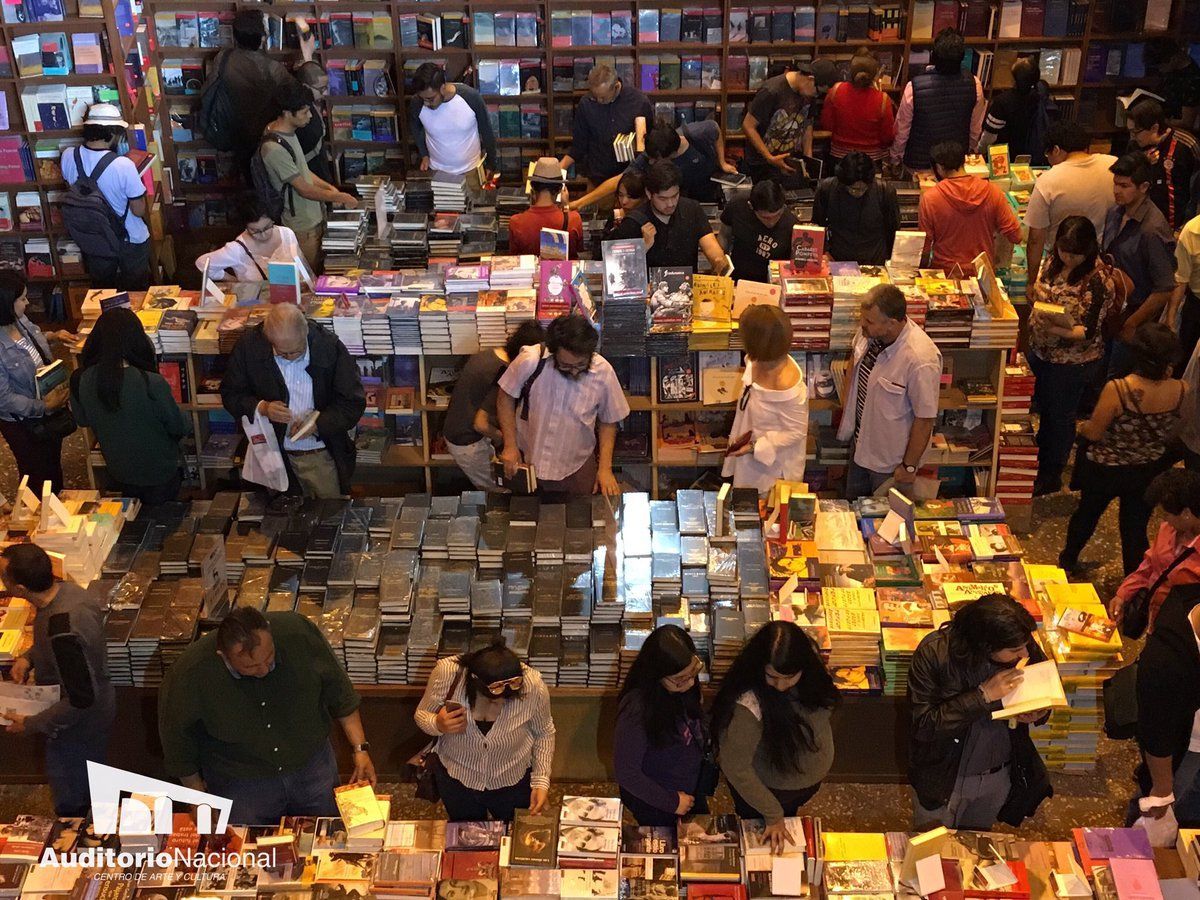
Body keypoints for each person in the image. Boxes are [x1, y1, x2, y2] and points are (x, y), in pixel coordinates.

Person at [158, 608, 375, 825]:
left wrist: (360, 749)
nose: (264, 670)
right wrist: (198, 799)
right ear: (223, 656)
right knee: (252, 851)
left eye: (269, 656)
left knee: (326, 836)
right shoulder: (189, 674)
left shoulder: (298, 633)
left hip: (311, 766)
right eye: (250, 666)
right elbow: (178, 746)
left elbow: (340, 692)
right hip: (242, 781)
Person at [908, 594, 1049, 830]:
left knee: (977, 846)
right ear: (986, 645)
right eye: (1015, 649)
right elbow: (924, 725)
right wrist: (982, 696)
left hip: (998, 775)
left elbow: (1042, 688)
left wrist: (1038, 711)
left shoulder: (1020, 643)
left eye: (1026, 645)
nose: (1025, 654)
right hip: (943, 778)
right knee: (930, 851)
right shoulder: (934, 653)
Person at [1061, 323, 1186, 576]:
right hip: (1146, 470)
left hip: (1105, 468)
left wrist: (1082, 427)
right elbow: (1174, 432)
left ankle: (1068, 561)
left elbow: (1095, 432)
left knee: (1087, 515)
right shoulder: (1181, 390)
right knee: (1135, 529)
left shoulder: (1119, 389)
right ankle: (1135, 583)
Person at [0, 544, 114, 817]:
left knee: (73, 795)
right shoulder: (70, 593)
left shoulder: (63, 634)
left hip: (78, 726)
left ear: (21, 590)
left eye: (4, 576)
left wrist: (30, 724)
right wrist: (30, 658)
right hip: (97, 702)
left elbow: (81, 699)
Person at [711, 621, 837, 850]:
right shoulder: (749, 705)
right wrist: (773, 814)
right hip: (768, 789)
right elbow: (735, 766)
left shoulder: (813, 675)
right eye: (772, 676)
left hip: (799, 784)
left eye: (789, 677)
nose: (781, 686)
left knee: (790, 814)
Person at [221, 302, 366, 498]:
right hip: (273, 456)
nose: (289, 358)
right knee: (281, 520)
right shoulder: (249, 347)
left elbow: (352, 403)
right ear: (268, 339)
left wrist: (317, 424)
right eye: (281, 354)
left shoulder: (329, 347)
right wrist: (262, 407)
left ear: (306, 333)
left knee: (329, 517)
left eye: (296, 352)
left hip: (320, 455)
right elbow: (231, 394)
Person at [1026, 217, 1119, 496]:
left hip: (1071, 363)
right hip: (1040, 351)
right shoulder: (1051, 264)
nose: (1068, 258)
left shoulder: (1098, 280)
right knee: (1042, 411)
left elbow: (1088, 331)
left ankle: (1051, 473)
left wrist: (1054, 327)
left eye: (1075, 253)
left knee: (1060, 417)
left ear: (1089, 250)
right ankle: (1037, 462)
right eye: (1063, 251)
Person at [414, 638, 555, 821]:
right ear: (475, 682)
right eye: (493, 697)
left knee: (515, 833)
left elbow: (544, 732)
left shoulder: (533, 685)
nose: (502, 702)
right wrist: (438, 724)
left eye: (509, 697)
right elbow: (421, 714)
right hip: (458, 777)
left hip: (512, 777)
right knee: (466, 836)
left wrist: (541, 781)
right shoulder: (448, 674)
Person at [496, 313, 629, 500]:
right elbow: (505, 397)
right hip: (528, 461)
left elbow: (609, 420)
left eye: (581, 365)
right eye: (566, 366)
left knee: (579, 523)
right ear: (553, 352)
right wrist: (510, 445)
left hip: (577, 467)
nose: (574, 371)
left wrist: (605, 469)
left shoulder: (603, 371)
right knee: (528, 519)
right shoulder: (531, 360)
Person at [71, 308, 190, 506]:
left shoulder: (81, 379)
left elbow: (82, 419)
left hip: (118, 469)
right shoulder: (151, 382)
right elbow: (179, 426)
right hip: (158, 470)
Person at [837, 284, 942, 498]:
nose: (862, 325)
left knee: (885, 524)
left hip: (890, 465)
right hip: (860, 447)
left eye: (869, 321)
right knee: (855, 516)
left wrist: (909, 467)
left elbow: (925, 419)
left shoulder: (920, 359)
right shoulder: (870, 334)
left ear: (892, 324)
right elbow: (854, 364)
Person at [613, 625, 708, 827]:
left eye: (694, 672)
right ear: (656, 675)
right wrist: (672, 802)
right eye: (680, 680)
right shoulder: (637, 708)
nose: (690, 683)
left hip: (688, 786)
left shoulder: (685, 684)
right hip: (657, 799)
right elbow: (626, 772)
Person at [260, 81, 359, 268]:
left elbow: (303, 171)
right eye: (305, 112)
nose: (310, 116)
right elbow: (304, 189)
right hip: (302, 225)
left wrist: (330, 189)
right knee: (309, 277)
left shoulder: (289, 131)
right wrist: (338, 196)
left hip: (314, 217)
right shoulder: (274, 148)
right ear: (288, 113)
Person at [443, 321, 545, 492]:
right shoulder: (505, 372)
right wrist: (505, 441)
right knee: (499, 490)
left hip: (455, 429)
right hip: (468, 441)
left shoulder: (487, 355)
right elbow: (481, 424)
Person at [1133, 569, 1200, 828]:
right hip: (1187, 747)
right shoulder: (1166, 662)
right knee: (1165, 807)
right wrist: (1162, 790)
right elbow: (1156, 733)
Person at [60, 103, 151, 290]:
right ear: (112, 134)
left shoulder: (69, 155)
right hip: (129, 239)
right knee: (136, 291)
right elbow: (138, 210)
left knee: (103, 291)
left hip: (94, 239)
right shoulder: (123, 165)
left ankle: (107, 317)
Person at [1103, 153, 1177, 377]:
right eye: (1115, 184)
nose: (1117, 190)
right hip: (1112, 309)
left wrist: (1132, 324)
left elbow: (1164, 288)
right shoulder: (1116, 212)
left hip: (1135, 318)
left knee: (1116, 378)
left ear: (1144, 187)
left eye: (1124, 186)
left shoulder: (1152, 229)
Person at [722, 305, 808, 493]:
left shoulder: (787, 385)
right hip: (748, 453)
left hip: (774, 469)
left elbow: (796, 432)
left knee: (765, 512)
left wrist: (755, 446)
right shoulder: (757, 359)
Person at [0, 273, 73, 494]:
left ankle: (57, 503)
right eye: (22, 299)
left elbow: (34, 336)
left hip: (47, 406)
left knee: (52, 463)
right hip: (22, 421)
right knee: (34, 471)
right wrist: (44, 406)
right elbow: (4, 398)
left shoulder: (19, 320)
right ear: (5, 304)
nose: (28, 302)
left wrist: (53, 336)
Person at [1023, 121, 1117, 287]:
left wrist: (1031, 282)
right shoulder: (1112, 165)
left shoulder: (1049, 180)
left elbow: (1035, 240)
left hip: (1061, 264)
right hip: (1100, 262)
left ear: (1056, 149)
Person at [211, 9, 300, 181]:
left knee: (248, 174)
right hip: (265, 134)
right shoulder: (273, 68)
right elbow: (297, 95)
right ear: (262, 38)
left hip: (236, 131)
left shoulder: (223, 59)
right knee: (268, 180)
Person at [571, 118, 736, 210]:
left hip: (709, 187)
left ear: (671, 155)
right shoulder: (653, 151)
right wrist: (579, 203)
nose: (649, 163)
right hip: (680, 197)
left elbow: (715, 130)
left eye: (654, 160)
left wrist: (722, 163)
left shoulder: (697, 133)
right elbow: (620, 180)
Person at [1110, 469, 1200, 632]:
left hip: (1179, 630)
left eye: (1166, 514)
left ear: (1186, 513)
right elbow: (1150, 565)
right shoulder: (1168, 529)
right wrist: (1123, 594)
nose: (1163, 520)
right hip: (1155, 616)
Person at [891, 28, 987, 174]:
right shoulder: (975, 84)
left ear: (933, 56)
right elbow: (975, 129)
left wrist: (895, 158)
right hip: (954, 164)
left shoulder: (914, 87)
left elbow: (902, 130)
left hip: (919, 163)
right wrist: (970, 152)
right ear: (962, 58)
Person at [918, 141, 1023, 271]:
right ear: (964, 162)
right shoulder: (993, 192)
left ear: (939, 167)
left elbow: (924, 247)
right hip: (982, 274)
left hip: (945, 274)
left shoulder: (930, 198)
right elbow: (1016, 235)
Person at [609, 161, 728, 272]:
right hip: (649, 291)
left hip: (686, 289)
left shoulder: (692, 209)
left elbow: (710, 245)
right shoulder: (633, 222)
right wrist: (642, 247)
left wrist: (719, 261)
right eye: (663, 199)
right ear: (649, 194)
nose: (670, 204)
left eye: (675, 196)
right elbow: (617, 270)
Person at [741, 59, 836, 184]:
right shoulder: (772, 91)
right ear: (811, 79)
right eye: (818, 92)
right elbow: (748, 126)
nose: (817, 96)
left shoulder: (808, 94)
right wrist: (769, 157)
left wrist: (808, 159)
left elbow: (807, 124)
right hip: (762, 163)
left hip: (789, 160)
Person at [409, 63, 497, 192]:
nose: (426, 103)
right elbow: (415, 128)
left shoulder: (470, 98)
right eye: (423, 99)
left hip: (471, 172)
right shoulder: (417, 103)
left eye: (431, 99)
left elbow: (487, 132)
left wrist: (491, 165)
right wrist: (424, 155)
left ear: (443, 88)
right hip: (437, 173)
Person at [560, 64, 652, 189]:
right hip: (598, 180)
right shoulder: (586, 104)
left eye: (603, 97)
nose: (598, 101)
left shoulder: (638, 102)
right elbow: (578, 147)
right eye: (594, 95)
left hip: (632, 180)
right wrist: (559, 168)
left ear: (616, 86)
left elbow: (651, 142)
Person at [811, 151, 901, 265]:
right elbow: (817, 226)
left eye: (863, 188)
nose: (857, 193)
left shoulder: (885, 191)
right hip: (837, 258)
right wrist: (824, 251)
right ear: (842, 182)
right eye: (852, 188)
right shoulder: (827, 188)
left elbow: (893, 229)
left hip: (874, 260)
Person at [1127, 99, 1200, 230]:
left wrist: (1187, 227)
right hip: (1143, 224)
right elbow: (1126, 179)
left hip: (1179, 227)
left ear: (1154, 128)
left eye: (1135, 132)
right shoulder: (1134, 146)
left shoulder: (1186, 145)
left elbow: (1196, 193)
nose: (1132, 137)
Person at [196, 201, 305, 283]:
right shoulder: (236, 249)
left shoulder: (287, 234)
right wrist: (232, 280)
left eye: (267, 228)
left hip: (292, 301)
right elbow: (202, 263)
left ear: (272, 220)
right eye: (255, 231)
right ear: (246, 228)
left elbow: (301, 268)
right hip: (257, 305)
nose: (263, 234)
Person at [819, 49, 896, 162]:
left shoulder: (835, 91)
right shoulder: (883, 99)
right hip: (871, 160)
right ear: (875, 74)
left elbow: (827, 125)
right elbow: (887, 137)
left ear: (850, 71)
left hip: (840, 157)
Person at [718, 179, 798, 284]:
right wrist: (721, 262)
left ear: (783, 206)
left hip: (772, 283)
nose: (772, 222)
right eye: (765, 218)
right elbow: (724, 235)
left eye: (777, 215)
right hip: (738, 278)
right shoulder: (737, 206)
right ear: (751, 206)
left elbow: (795, 264)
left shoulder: (792, 224)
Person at [977, 57, 1054, 164]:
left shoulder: (1002, 102)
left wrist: (979, 150)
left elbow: (989, 136)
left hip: (1003, 158)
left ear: (1014, 78)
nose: (1018, 57)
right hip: (1031, 155)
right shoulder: (1039, 97)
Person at [506, 158, 584, 258]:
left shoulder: (516, 222)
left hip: (531, 274)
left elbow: (514, 259)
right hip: (563, 273)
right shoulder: (574, 219)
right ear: (560, 190)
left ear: (532, 188)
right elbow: (579, 252)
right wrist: (566, 205)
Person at [1145, 37, 1200, 133]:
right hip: (1162, 119)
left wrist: (1160, 121)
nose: (1160, 70)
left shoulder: (1192, 80)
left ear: (1173, 59)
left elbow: (1186, 123)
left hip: (1175, 131)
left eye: (1161, 66)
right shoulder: (1172, 70)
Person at [294, 59, 335, 185]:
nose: (325, 93)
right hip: (311, 174)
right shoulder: (299, 112)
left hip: (319, 167)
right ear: (305, 87)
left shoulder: (308, 101)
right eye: (322, 89)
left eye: (326, 87)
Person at [1174, 211, 1200, 367]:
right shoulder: (1192, 231)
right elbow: (1181, 279)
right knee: (1184, 358)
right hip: (1196, 306)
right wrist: (1170, 318)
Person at [601, 170, 646, 242]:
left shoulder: (649, 218)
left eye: (630, 197)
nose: (624, 201)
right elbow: (602, 248)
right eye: (621, 195)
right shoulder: (616, 216)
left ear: (644, 197)